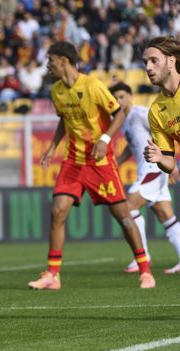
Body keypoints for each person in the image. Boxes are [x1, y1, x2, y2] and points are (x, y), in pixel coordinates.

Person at [27, 41, 155, 290]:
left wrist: (105, 139)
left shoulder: (93, 85)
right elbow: (64, 120)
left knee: (123, 217)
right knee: (57, 211)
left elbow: (118, 113)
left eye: (50, 60)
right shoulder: (57, 91)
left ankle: (145, 271)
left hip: (100, 162)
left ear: (63, 61)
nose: (48, 65)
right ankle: (52, 275)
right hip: (73, 161)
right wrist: (52, 148)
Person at [110, 82, 180, 274]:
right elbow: (131, 145)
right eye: (115, 98)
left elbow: (165, 134)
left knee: (128, 208)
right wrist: (118, 162)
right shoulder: (123, 120)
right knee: (167, 216)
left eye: (122, 96)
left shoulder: (141, 114)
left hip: (154, 168)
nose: (119, 101)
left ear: (131, 96)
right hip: (148, 169)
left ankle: (142, 256)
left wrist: (171, 163)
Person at [143, 36, 180, 273]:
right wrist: (159, 158)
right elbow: (169, 163)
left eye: (153, 61)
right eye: (145, 62)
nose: (147, 68)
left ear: (170, 60)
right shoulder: (156, 110)